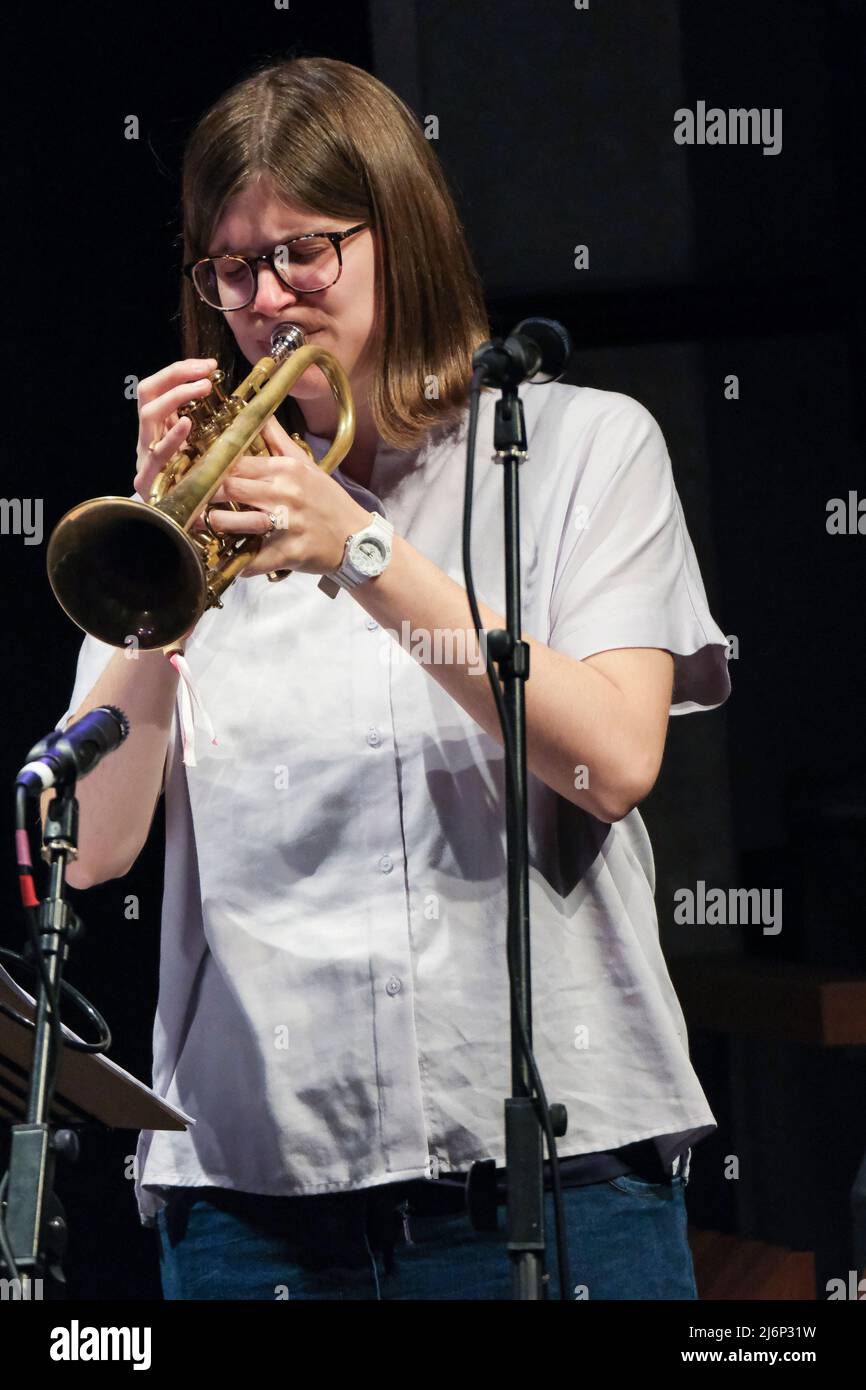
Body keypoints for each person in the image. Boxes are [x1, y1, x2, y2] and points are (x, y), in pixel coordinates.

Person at [49, 56, 731, 1300]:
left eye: (305, 253)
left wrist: (360, 549)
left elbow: (616, 760)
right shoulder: (204, 518)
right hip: (252, 1211)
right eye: (233, 268)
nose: (267, 301)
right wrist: (154, 574)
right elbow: (89, 848)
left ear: (396, 236)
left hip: (552, 1182)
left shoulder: (577, 446)